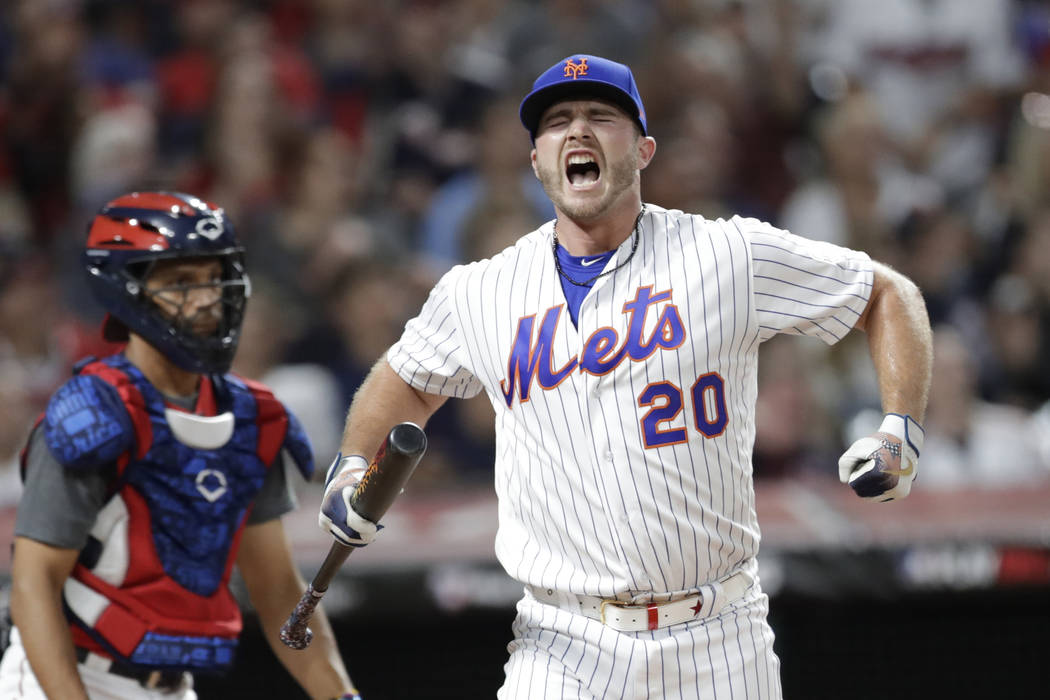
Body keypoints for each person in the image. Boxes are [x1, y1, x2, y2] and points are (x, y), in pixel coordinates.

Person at [318, 55, 933, 699]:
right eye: (557, 122)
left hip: (718, 639)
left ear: (642, 150)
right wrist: (353, 466)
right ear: (536, 160)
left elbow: (885, 294)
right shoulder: (481, 289)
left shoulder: (726, 255)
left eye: (599, 117)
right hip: (560, 643)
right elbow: (408, 379)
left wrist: (900, 433)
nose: (577, 132)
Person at [0, 192, 360, 700]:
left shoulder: (252, 421)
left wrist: (341, 695)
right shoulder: (90, 414)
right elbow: (34, 586)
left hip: (170, 687)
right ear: (127, 290)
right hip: (60, 676)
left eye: (214, 277)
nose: (207, 299)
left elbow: (278, 589)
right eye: (180, 283)